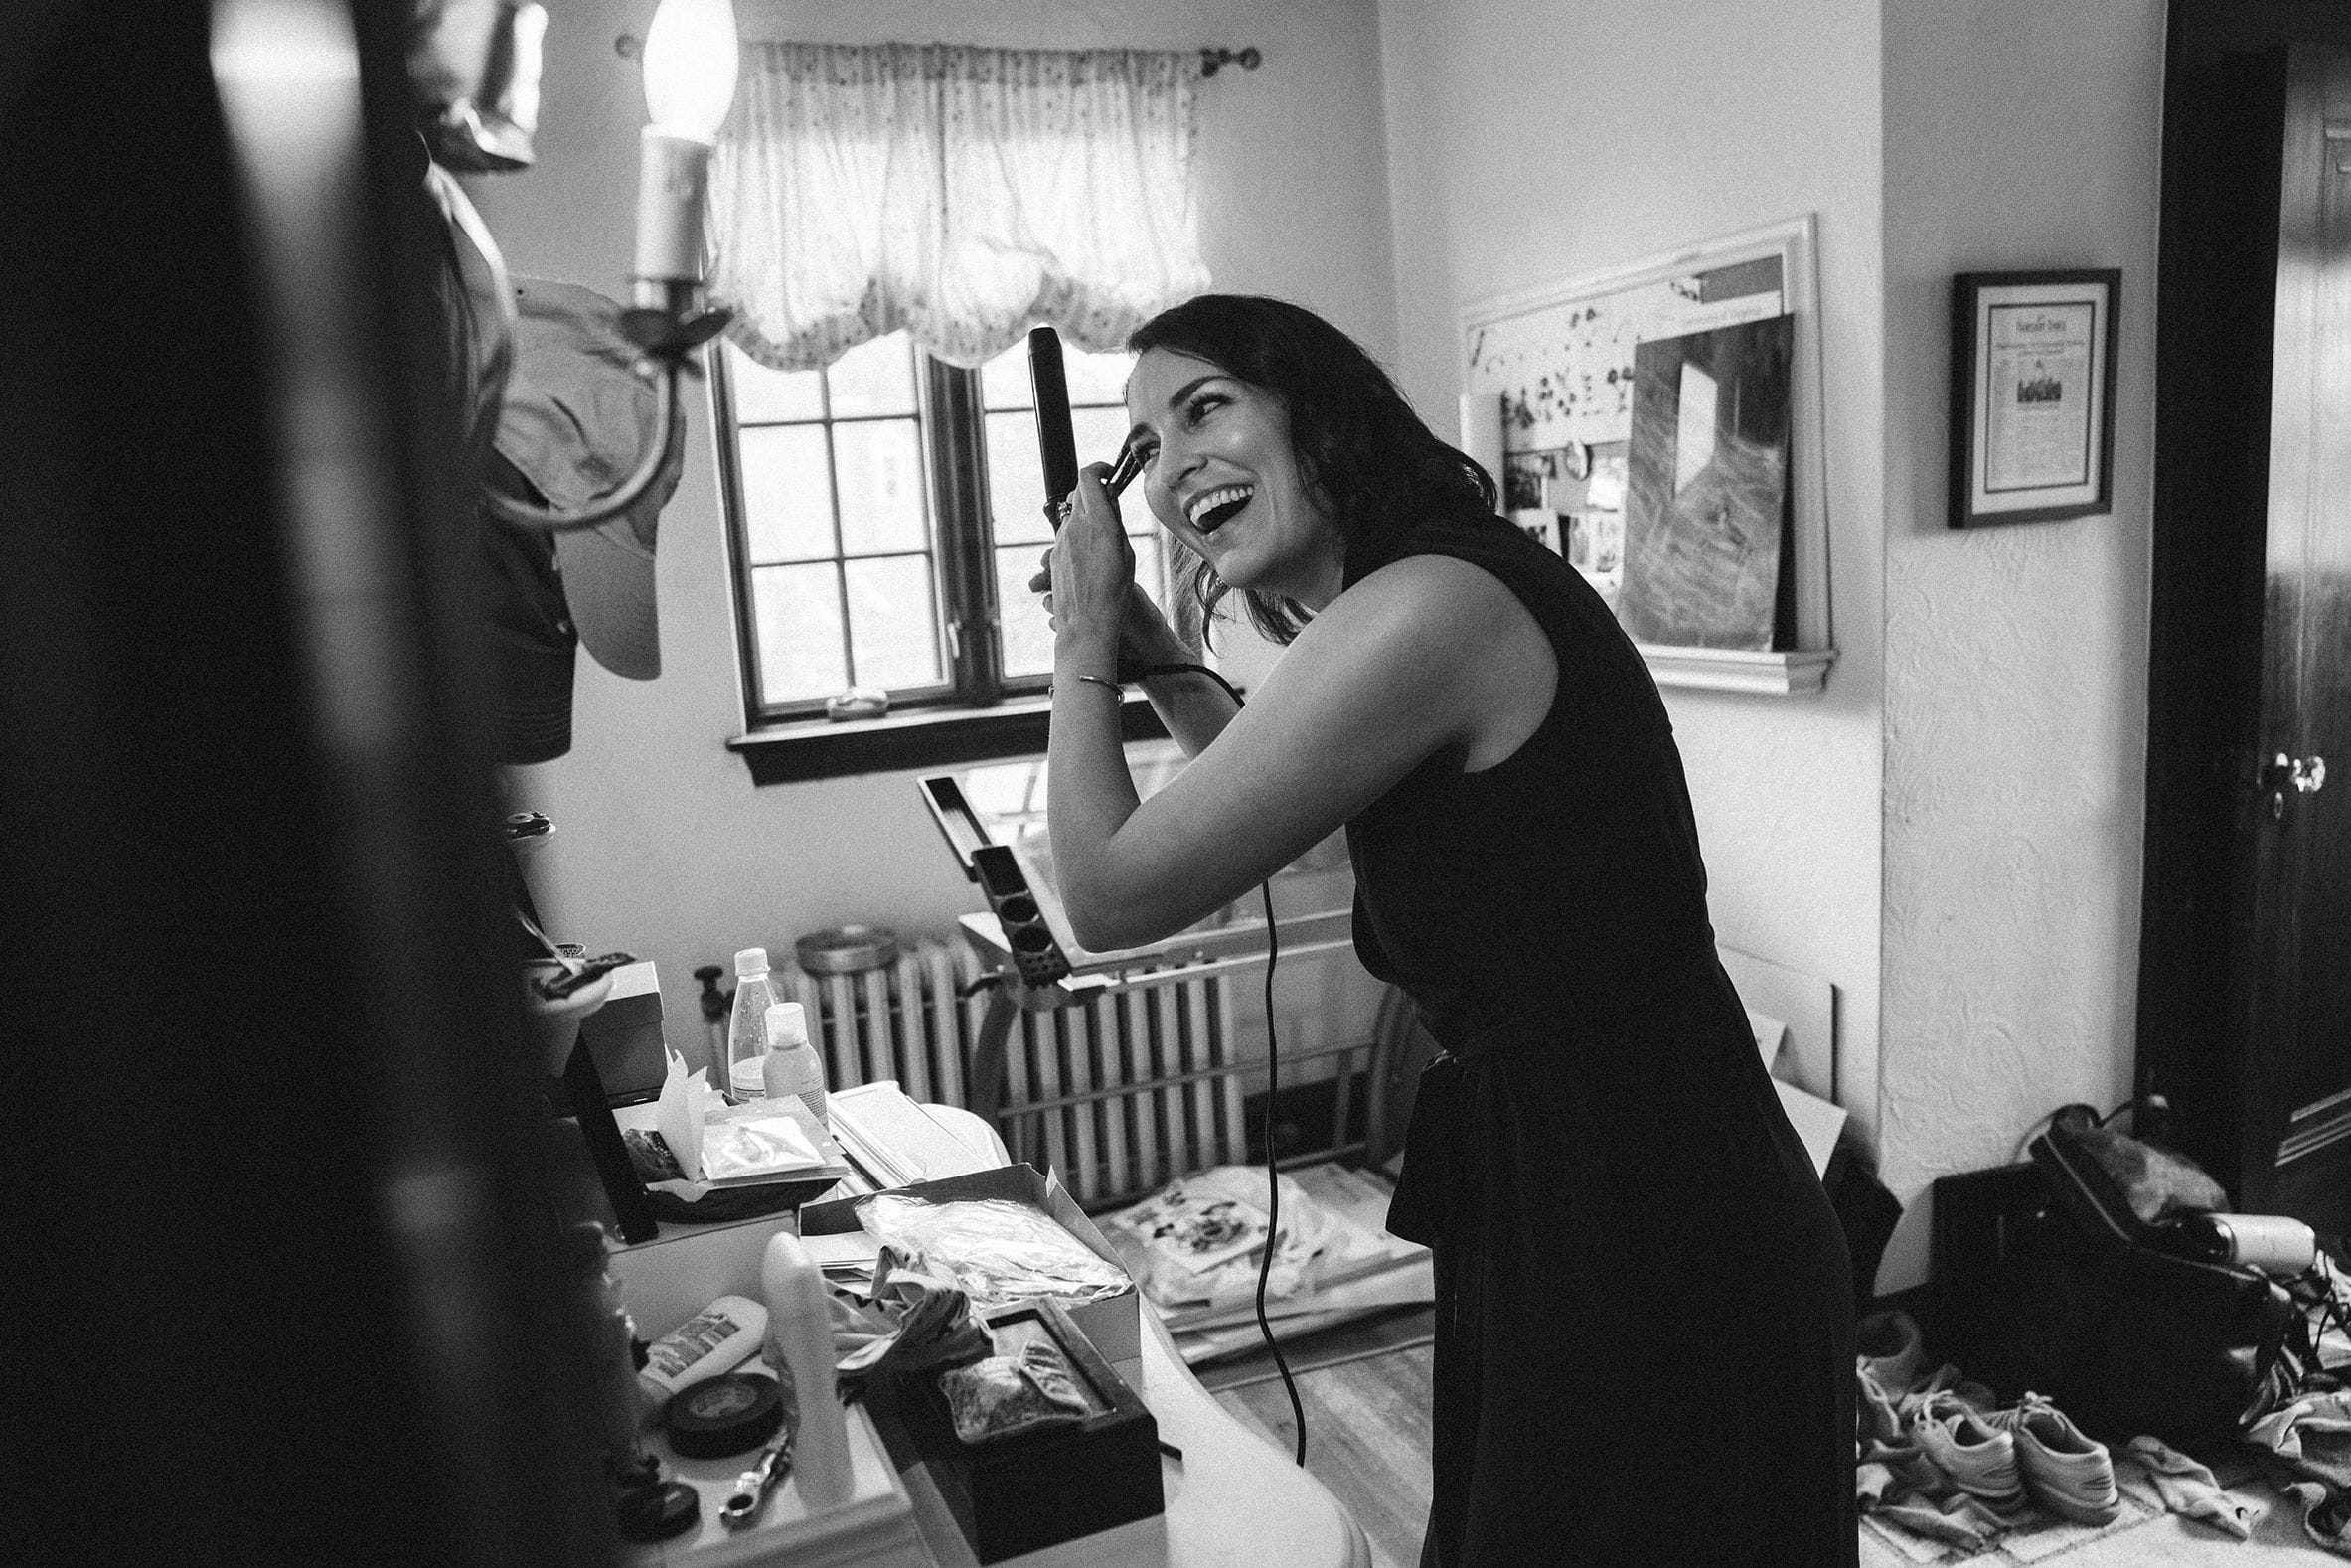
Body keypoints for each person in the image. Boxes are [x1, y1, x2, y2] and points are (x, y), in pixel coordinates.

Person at [1035, 294, 1857, 1567]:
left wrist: (1082, 637)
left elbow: (1105, 894)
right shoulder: (1416, 593)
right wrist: (1146, 651)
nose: (1172, 465)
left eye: (1205, 407)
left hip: (1652, 1207)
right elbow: (1311, 828)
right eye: (1145, 444)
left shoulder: (1433, 606)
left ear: (1318, 408)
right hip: (1578, 1174)